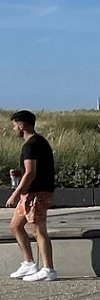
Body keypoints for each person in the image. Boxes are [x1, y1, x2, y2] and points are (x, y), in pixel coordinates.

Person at [7, 110, 57, 282]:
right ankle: (29, 263)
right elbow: (31, 171)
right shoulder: (39, 142)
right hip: (31, 193)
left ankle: (48, 269)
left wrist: (16, 193)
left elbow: (31, 173)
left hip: (37, 193)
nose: (13, 129)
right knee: (15, 225)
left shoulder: (31, 145)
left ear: (22, 125)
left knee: (38, 230)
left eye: (14, 125)